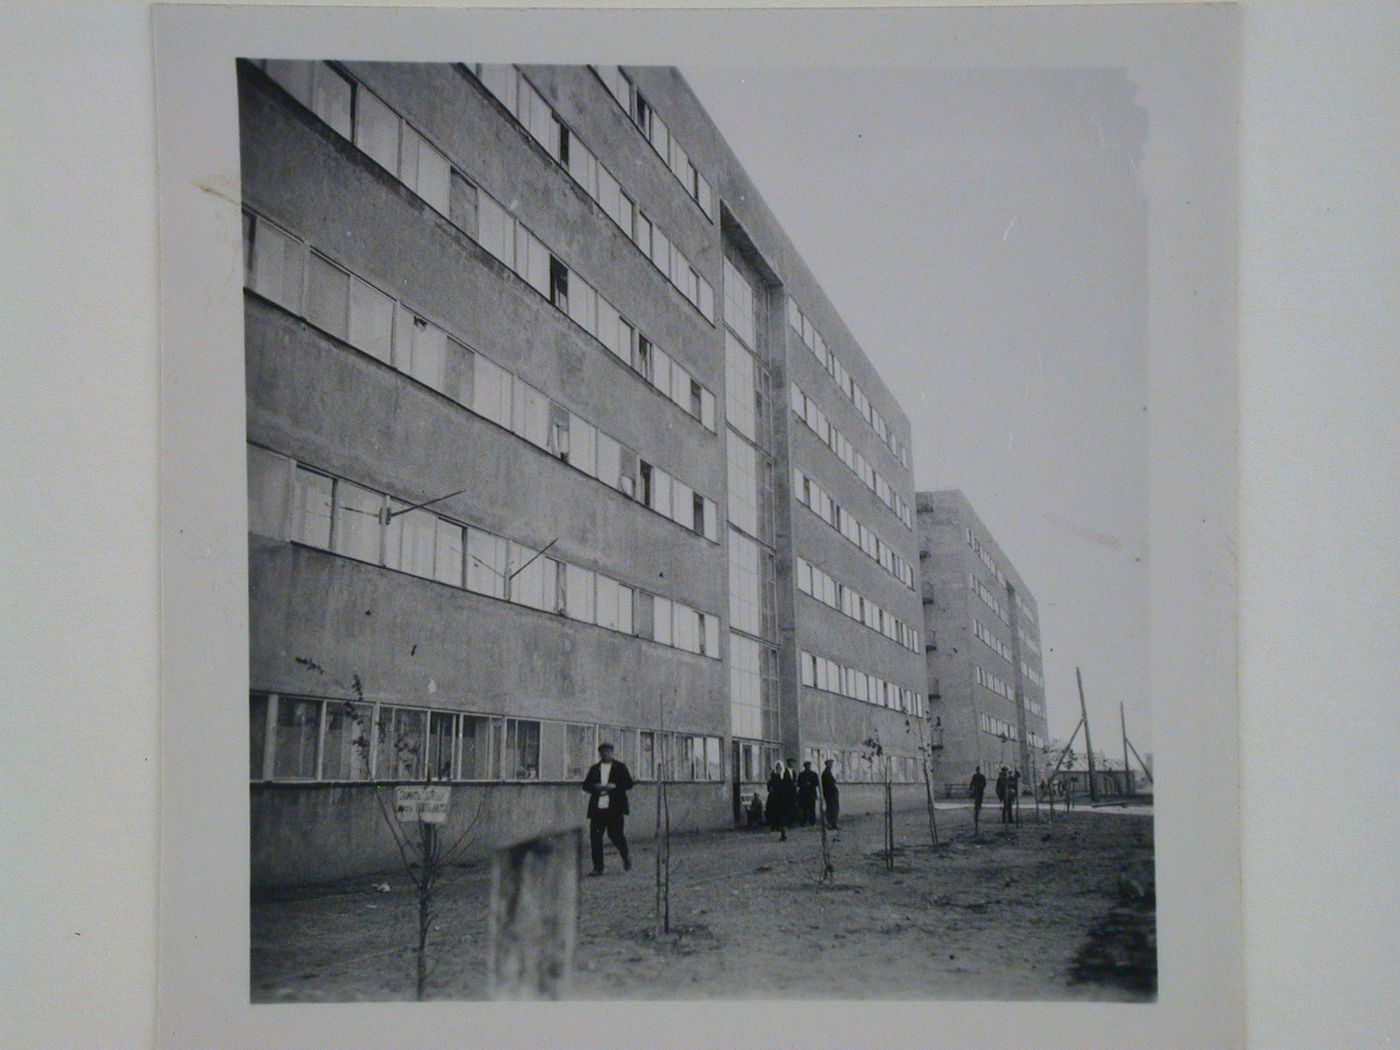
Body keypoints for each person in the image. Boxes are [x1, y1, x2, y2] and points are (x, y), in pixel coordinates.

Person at [581, 742, 633, 876]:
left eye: (609, 751)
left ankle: (626, 856)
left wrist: (615, 786)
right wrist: (595, 787)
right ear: (600, 754)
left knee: (616, 835)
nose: (606, 754)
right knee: (595, 837)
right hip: (598, 809)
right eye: (603, 752)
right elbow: (585, 786)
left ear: (612, 753)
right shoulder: (595, 769)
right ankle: (598, 868)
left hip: (614, 808)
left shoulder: (620, 767)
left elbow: (629, 783)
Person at [766, 761, 791, 840]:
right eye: (777, 767)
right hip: (775, 799)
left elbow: (789, 786)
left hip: (783, 799)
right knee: (776, 814)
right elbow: (770, 784)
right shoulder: (774, 775)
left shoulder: (785, 775)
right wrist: (770, 789)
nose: (778, 769)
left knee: (783, 815)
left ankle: (783, 831)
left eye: (779, 767)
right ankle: (778, 828)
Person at [796, 761, 820, 826]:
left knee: (812, 809)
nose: (808, 767)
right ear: (804, 766)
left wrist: (811, 784)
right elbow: (798, 784)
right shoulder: (801, 774)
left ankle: (812, 822)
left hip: (811, 794)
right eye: (806, 766)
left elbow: (817, 783)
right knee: (804, 809)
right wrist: (804, 784)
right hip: (804, 794)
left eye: (809, 766)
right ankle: (804, 821)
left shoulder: (814, 774)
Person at [821, 758, 841, 830]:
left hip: (831, 793)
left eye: (832, 763)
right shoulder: (826, 773)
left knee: (833, 808)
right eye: (830, 763)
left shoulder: (828, 772)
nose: (831, 765)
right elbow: (828, 785)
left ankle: (833, 823)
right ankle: (831, 823)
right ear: (827, 764)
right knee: (832, 808)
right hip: (830, 794)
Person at [969, 766, 987, 833]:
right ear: (976, 770)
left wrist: (982, 786)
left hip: (980, 789)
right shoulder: (975, 776)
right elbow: (972, 782)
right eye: (977, 770)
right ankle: (977, 805)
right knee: (976, 798)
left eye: (978, 770)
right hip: (976, 789)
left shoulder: (982, 776)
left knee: (980, 798)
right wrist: (971, 787)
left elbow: (984, 783)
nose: (978, 771)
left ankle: (979, 805)